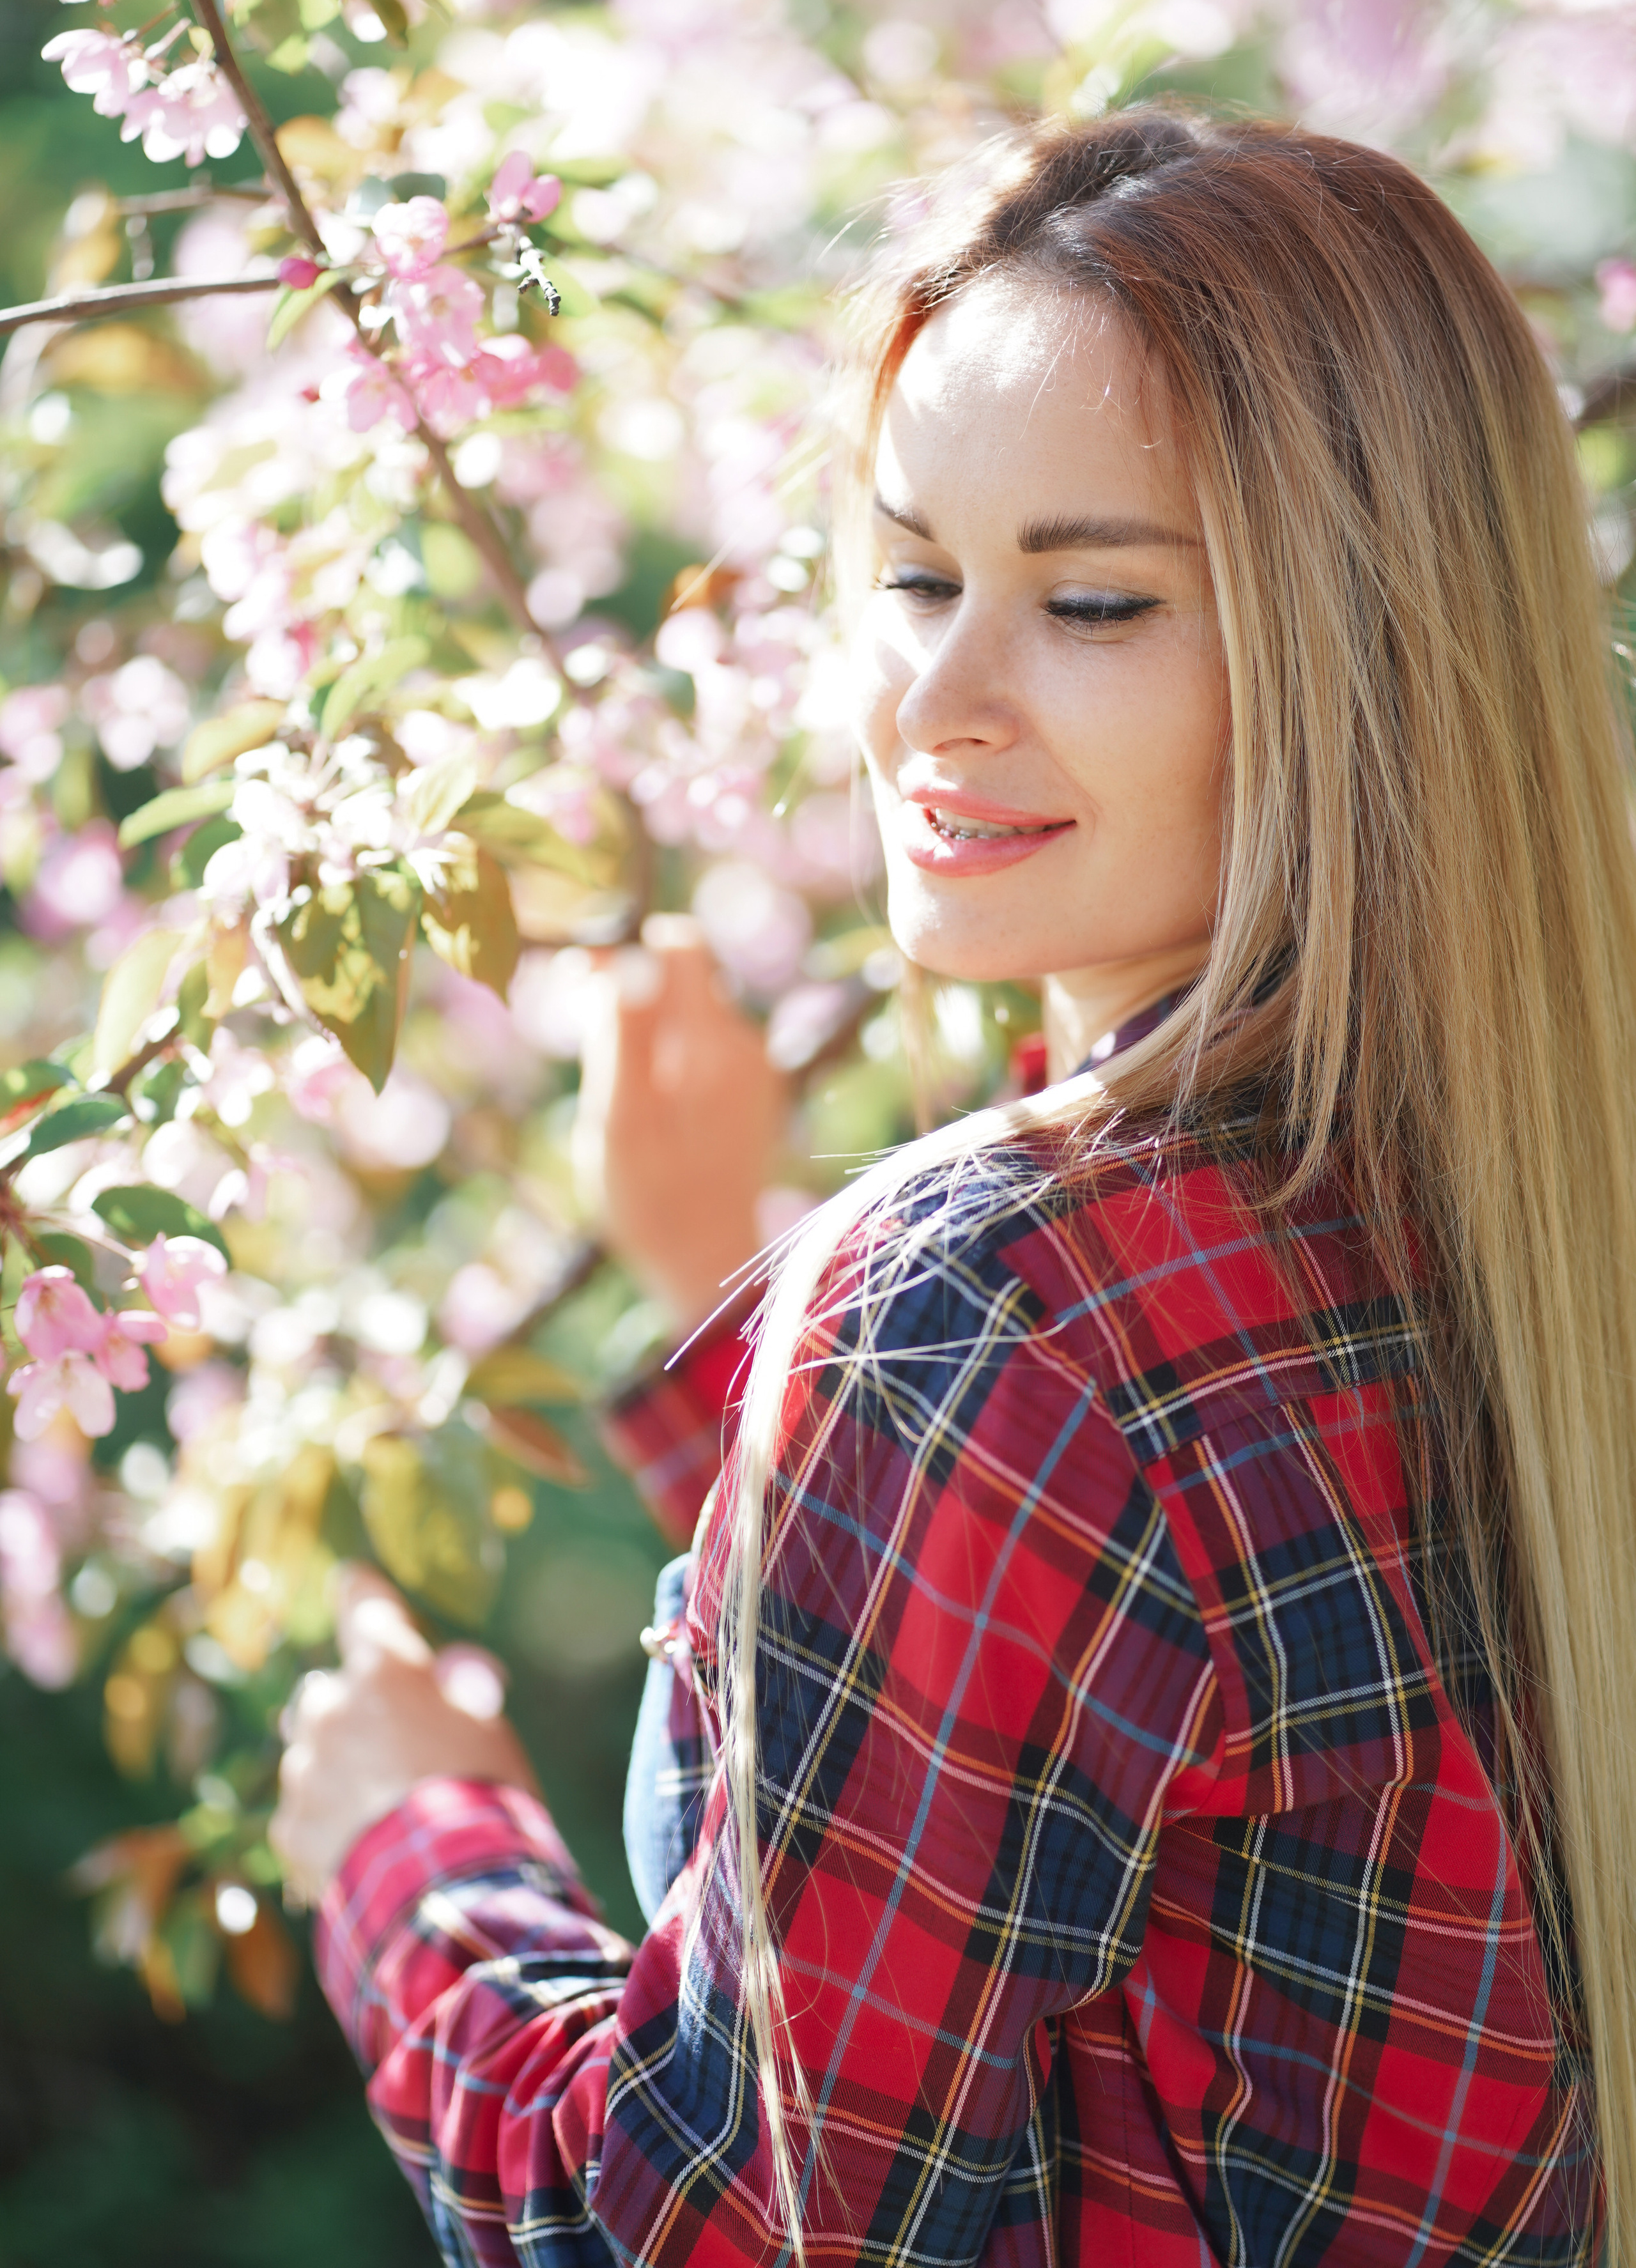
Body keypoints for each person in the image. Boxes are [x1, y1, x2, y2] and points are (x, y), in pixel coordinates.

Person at [268, 109, 1636, 2267]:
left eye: (1090, 602)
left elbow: (700, 2233)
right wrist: (730, 1295)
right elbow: (1113, 1697)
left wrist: (411, 1853)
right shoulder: (1530, 1183)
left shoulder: (994, 1307)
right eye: (915, 575)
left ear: (1362, 651)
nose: (935, 700)